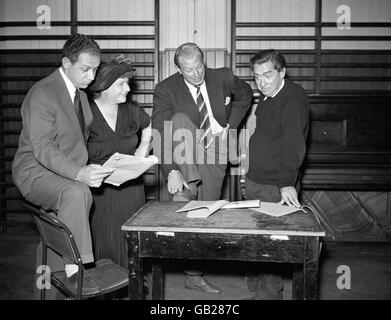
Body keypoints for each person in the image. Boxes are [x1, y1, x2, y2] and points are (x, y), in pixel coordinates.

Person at [12, 33, 113, 299]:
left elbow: (79, 138)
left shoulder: (78, 92)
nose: (92, 76)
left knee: (56, 239)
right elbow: (43, 148)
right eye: (86, 69)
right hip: (35, 172)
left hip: (62, 172)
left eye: (95, 69)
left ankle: (50, 290)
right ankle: (77, 269)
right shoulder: (43, 93)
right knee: (77, 193)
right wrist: (80, 173)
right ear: (66, 63)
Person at [152, 42, 253, 294]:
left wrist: (232, 124)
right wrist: (171, 170)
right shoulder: (165, 89)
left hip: (217, 146)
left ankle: (194, 275)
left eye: (199, 67)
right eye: (189, 70)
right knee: (179, 119)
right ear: (178, 69)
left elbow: (246, 94)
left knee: (204, 212)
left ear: (203, 61)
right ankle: (188, 185)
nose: (196, 75)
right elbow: (160, 132)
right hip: (186, 147)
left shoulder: (223, 76)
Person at [245, 49, 310, 300]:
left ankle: (269, 297)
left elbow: (294, 144)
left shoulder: (294, 98)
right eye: (257, 77)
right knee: (255, 240)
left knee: (270, 246)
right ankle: (257, 281)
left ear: (282, 72)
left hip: (275, 186)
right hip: (256, 180)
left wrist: (286, 184)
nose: (262, 82)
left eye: (268, 75)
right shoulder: (267, 96)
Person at [87, 55, 151, 269]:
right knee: (103, 244)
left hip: (131, 189)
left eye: (128, 83)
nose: (128, 89)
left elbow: (148, 125)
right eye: (122, 84)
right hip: (99, 192)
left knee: (130, 245)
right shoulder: (85, 114)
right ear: (104, 86)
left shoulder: (130, 110)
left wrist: (141, 150)